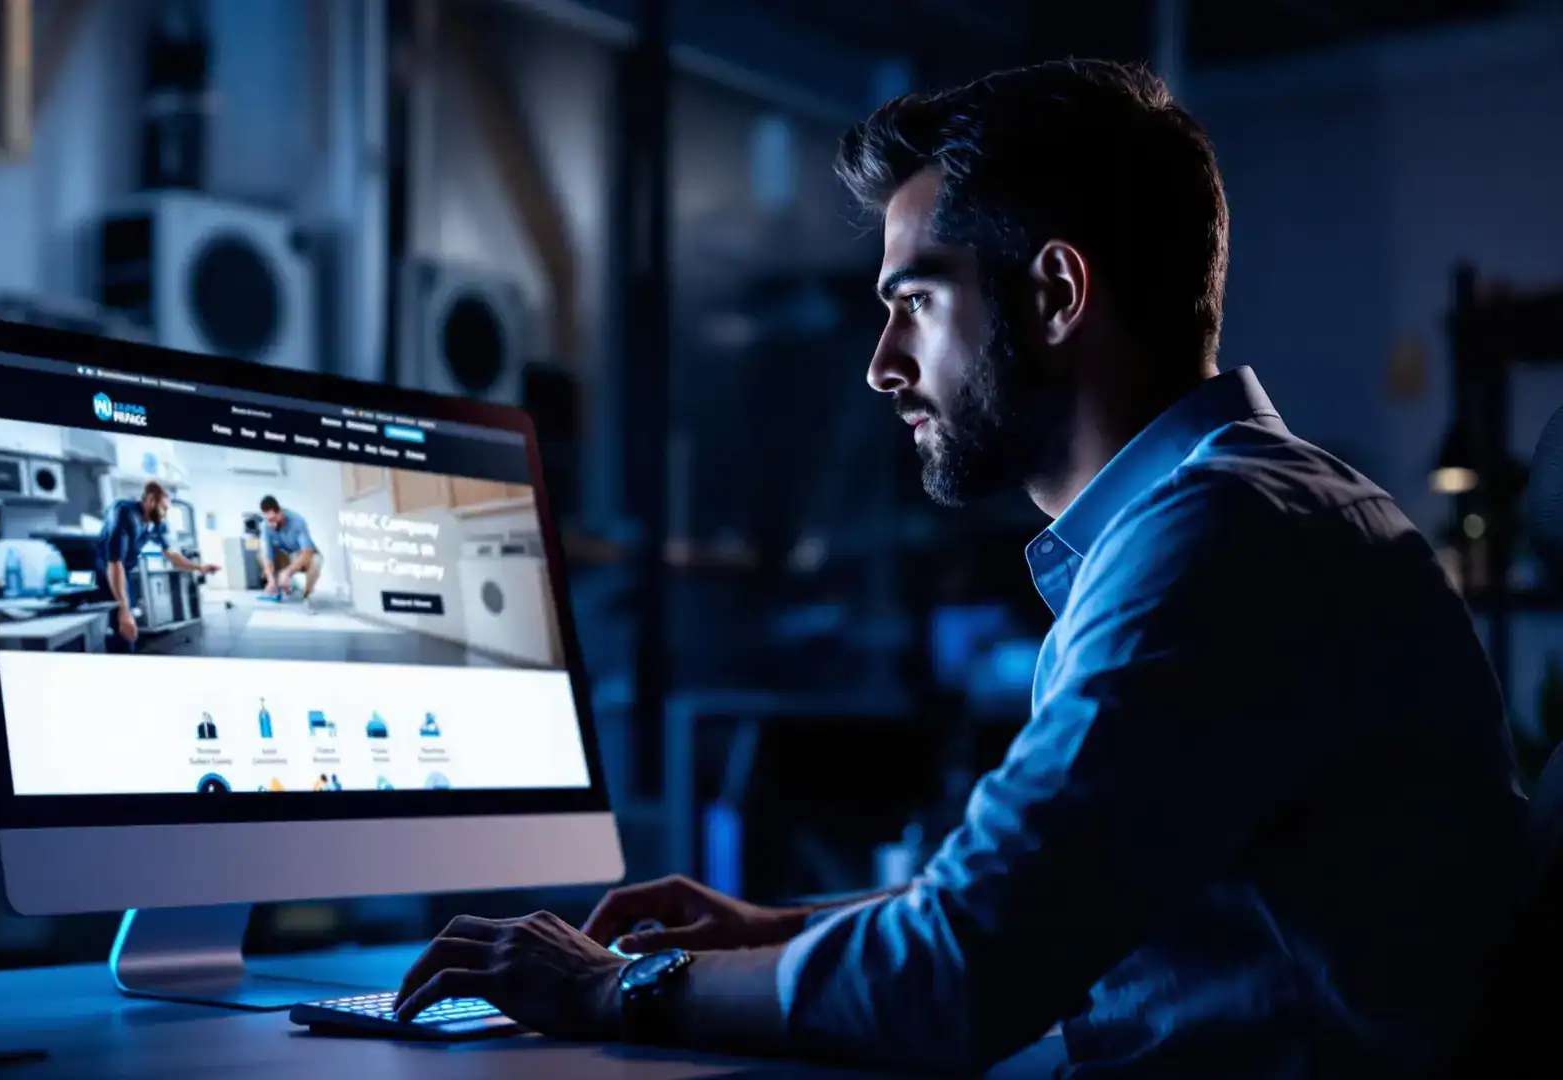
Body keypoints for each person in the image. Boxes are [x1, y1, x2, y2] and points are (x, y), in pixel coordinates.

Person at [391, 60, 1526, 1078]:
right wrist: (770, 929)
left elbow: (960, 978)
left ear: (1056, 295)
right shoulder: (1250, 512)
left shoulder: (1217, 538)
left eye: (915, 304)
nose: (883, 367)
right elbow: (1037, 911)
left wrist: (608, 987)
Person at [95, 480, 218, 648]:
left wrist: (199, 567)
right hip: (104, 575)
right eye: (163, 508)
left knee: (128, 631)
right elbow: (115, 563)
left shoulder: (156, 524)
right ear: (151, 500)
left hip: (124, 574)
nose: (165, 514)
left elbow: (171, 554)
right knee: (120, 628)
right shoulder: (124, 513)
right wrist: (123, 610)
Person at [258, 495, 322, 609]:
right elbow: (267, 555)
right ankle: (276, 586)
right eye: (268, 520)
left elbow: (307, 552)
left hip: (302, 554)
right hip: (286, 555)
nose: (271, 524)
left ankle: (306, 596)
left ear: (280, 513)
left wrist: (287, 572)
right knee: (260, 553)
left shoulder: (297, 521)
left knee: (316, 562)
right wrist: (270, 578)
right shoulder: (266, 525)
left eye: (273, 519)